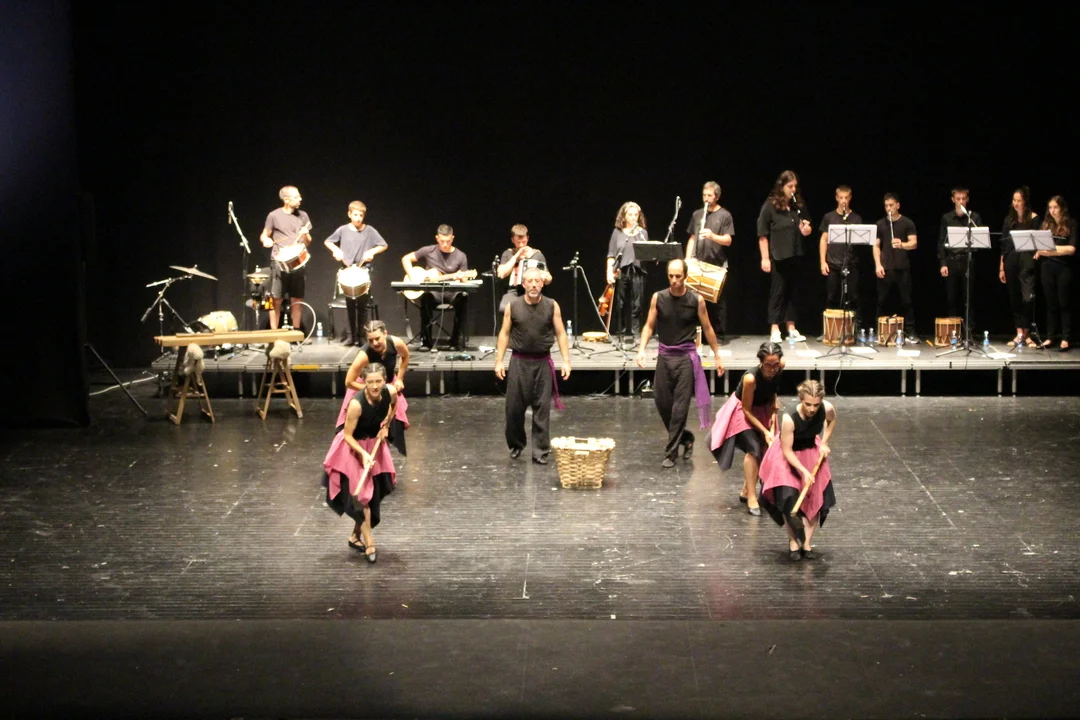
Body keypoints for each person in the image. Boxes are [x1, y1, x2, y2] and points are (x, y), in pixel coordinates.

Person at [637, 259, 724, 468]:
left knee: (679, 408)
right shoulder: (658, 298)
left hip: (686, 358)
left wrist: (717, 355)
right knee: (661, 401)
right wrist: (641, 349)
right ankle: (685, 437)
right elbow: (649, 326)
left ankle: (671, 453)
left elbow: (708, 328)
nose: (674, 280)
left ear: (685, 276)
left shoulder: (696, 300)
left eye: (678, 276)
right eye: (671, 276)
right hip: (665, 357)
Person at [321, 363, 398, 563]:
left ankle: (355, 536)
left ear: (385, 380)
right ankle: (370, 543)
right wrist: (363, 454)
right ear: (364, 382)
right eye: (370, 382)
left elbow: (393, 406)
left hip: (374, 444)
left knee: (375, 494)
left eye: (378, 381)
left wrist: (386, 426)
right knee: (362, 497)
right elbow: (347, 435)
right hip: (353, 448)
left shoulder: (390, 392)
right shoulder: (356, 404)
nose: (375, 386)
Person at [494, 268, 571, 465]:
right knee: (513, 408)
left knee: (542, 408)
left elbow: (561, 333)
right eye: (530, 281)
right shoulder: (513, 306)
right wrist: (499, 361)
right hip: (519, 363)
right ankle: (516, 444)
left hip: (542, 363)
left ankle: (540, 450)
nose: (534, 284)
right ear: (523, 284)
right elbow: (504, 333)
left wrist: (566, 361)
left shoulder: (552, 305)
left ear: (542, 283)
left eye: (537, 281)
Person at [758, 380, 836, 562]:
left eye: (816, 405)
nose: (812, 409)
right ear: (801, 399)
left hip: (811, 451)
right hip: (788, 456)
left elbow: (831, 420)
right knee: (789, 500)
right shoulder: (790, 418)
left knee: (814, 498)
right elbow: (787, 450)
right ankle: (793, 541)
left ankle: (806, 543)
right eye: (808, 404)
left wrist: (824, 442)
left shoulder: (827, 408)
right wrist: (803, 471)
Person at [710, 342, 785, 515]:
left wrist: (774, 402)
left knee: (766, 449)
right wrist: (765, 431)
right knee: (754, 448)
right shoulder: (751, 378)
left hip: (763, 408)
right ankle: (752, 496)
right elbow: (746, 409)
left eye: (775, 364)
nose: (772, 369)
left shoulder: (780, 367)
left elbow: (773, 387)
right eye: (768, 365)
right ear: (761, 362)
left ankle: (746, 489)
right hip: (743, 411)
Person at [337, 320, 410, 455]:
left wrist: (400, 378)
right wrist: (371, 389)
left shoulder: (396, 343)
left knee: (392, 423)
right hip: (365, 389)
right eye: (370, 340)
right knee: (360, 430)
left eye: (377, 338)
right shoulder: (364, 356)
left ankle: (382, 455)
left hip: (385, 385)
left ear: (385, 334)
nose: (374, 343)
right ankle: (360, 455)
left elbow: (405, 357)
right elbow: (349, 382)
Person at [758, 170, 813, 343]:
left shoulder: (798, 205)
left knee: (793, 292)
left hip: (796, 254)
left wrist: (806, 229)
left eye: (795, 186)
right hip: (779, 256)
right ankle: (775, 328)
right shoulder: (770, 206)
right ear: (782, 186)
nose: (793, 190)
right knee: (778, 292)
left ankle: (791, 328)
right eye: (790, 186)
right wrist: (765, 258)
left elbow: (807, 228)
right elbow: (762, 234)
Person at [323, 201, 388, 345]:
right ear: (349, 214)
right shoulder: (343, 230)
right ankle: (351, 336)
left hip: (363, 270)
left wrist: (372, 251)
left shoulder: (369, 230)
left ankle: (362, 336)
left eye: (361, 215)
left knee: (363, 306)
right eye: (355, 215)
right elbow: (328, 242)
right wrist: (336, 251)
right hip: (347, 270)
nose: (358, 218)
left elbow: (384, 245)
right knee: (350, 305)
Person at [401, 224, 470, 350]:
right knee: (426, 297)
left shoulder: (461, 256)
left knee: (463, 297)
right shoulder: (429, 250)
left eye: (448, 241)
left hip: (452, 293)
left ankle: (455, 342)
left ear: (452, 238)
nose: (445, 244)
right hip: (434, 293)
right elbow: (406, 258)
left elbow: (465, 279)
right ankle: (426, 342)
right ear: (437, 238)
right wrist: (412, 275)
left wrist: (461, 277)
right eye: (442, 241)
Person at [685, 181, 734, 342]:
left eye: (710, 195)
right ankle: (696, 335)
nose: (706, 198)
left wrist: (712, 236)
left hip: (716, 264)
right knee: (694, 301)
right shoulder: (697, 214)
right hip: (697, 263)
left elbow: (728, 240)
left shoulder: (725, 215)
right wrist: (687, 260)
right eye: (704, 195)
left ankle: (718, 335)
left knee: (716, 302)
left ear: (717, 197)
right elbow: (692, 238)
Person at [260, 185, 312, 331]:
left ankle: (296, 333)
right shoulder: (274, 215)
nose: (300, 199)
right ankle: (274, 333)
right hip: (279, 262)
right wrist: (266, 240)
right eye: (296, 197)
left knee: (297, 299)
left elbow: (308, 242)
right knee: (276, 299)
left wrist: (305, 235)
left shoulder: (303, 216)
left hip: (298, 262)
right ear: (286, 200)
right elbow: (264, 235)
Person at [873, 193, 919, 342]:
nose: (888, 208)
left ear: (898, 205)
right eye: (886, 206)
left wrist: (902, 244)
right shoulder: (880, 224)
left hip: (902, 268)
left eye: (891, 205)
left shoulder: (907, 223)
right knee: (881, 301)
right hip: (885, 267)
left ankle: (911, 332)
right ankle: (879, 331)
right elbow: (876, 246)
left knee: (907, 301)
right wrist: (878, 265)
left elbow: (914, 243)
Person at [999, 187, 1041, 348]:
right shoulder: (1009, 220)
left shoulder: (1034, 219)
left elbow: (1039, 241)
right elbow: (1004, 245)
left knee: (1027, 299)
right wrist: (1001, 267)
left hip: (1027, 261)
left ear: (1025, 202)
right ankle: (1019, 334)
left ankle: (1027, 333)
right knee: (1014, 297)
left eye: (1019, 200)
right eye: (1014, 200)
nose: (1015, 203)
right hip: (1011, 260)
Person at [818, 185, 863, 332]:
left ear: (850, 198)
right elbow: (824, 240)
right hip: (833, 263)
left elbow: (860, 240)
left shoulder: (856, 218)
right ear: (836, 198)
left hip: (851, 264)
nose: (844, 201)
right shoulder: (829, 217)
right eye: (841, 198)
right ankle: (829, 331)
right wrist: (823, 261)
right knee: (831, 297)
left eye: (846, 198)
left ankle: (855, 330)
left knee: (853, 297)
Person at [1036, 196, 1076, 352]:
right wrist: (1050, 251)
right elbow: (1039, 247)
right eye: (1050, 207)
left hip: (1064, 268)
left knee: (1064, 303)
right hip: (1047, 267)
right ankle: (1050, 336)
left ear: (1062, 208)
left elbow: (1071, 249)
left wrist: (1050, 250)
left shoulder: (1071, 224)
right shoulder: (1046, 224)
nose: (1052, 210)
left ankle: (1066, 337)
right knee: (1050, 303)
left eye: (1055, 207)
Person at [937, 186, 984, 319]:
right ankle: (953, 328)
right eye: (958, 199)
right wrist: (943, 263)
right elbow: (941, 242)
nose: (961, 201)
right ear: (953, 200)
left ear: (967, 199)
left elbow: (981, 240)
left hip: (968, 260)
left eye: (963, 198)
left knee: (969, 297)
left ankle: (969, 328)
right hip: (951, 260)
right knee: (951, 297)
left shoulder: (974, 217)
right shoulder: (947, 218)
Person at [606, 201, 648, 347]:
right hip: (621, 271)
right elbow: (611, 254)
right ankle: (621, 334)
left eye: (636, 215)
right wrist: (609, 272)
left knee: (637, 304)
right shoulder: (617, 232)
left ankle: (636, 335)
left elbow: (647, 253)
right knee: (620, 303)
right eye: (630, 214)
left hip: (637, 270)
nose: (633, 217)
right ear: (624, 216)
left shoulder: (643, 233)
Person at [496, 224, 551, 313]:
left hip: (533, 290)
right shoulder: (508, 254)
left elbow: (548, 280)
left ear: (527, 238)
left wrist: (546, 277)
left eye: (524, 242)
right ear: (513, 240)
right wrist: (516, 257)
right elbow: (501, 274)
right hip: (514, 292)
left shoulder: (537, 255)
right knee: (504, 308)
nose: (521, 245)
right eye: (518, 242)